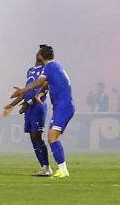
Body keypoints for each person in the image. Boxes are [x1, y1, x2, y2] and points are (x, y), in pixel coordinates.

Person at [9, 44, 75, 179]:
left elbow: (39, 82)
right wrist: (38, 95)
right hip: (63, 107)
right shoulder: (55, 67)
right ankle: (61, 169)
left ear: (40, 56)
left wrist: (22, 90)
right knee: (51, 138)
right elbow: (45, 85)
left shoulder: (49, 67)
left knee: (51, 138)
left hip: (63, 107)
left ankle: (63, 170)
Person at [2, 50, 51, 176]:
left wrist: (28, 103)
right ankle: (43, 167)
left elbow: (44, 90)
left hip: (37, 106)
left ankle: (47, 167)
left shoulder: (46, 70)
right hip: (29, 109)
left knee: (37, 136)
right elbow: (25, 91)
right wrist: (12, 105)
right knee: (33, 138)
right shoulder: (30, 70)